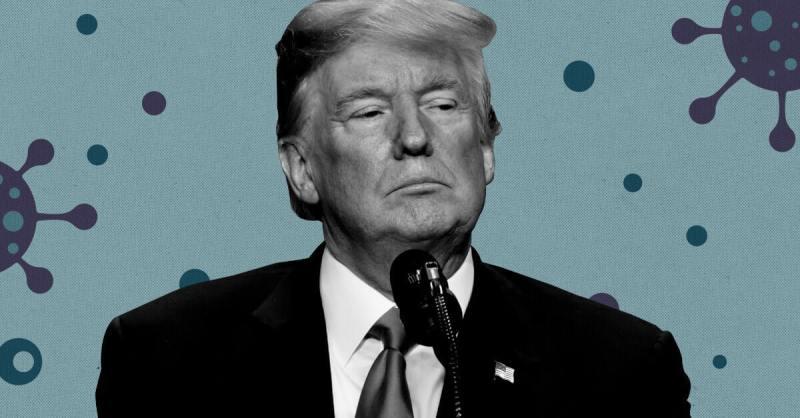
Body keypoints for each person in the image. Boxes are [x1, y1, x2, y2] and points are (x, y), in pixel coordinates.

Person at [95, 1, 692, 417]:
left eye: (443, 104)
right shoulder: (163, 359)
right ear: (302, 169)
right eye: (369, 111)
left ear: (486, 148)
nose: (414, 136)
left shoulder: (624, 372)